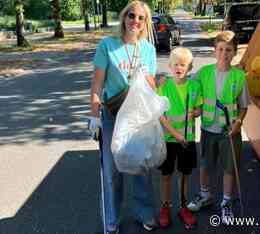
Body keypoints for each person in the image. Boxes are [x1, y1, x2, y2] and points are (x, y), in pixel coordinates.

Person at [88, 1, 157, 233]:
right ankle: (111, 220)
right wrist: (94, 115)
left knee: (141, 166)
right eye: (131, 15)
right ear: (123, 17)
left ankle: (144, 213)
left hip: (138, 117)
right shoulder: (107, 45)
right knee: (111, 172)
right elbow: (97, 83)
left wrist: (146, 78)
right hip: (112, 115)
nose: (135, 21)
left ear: (145, 22)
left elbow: (152, 86)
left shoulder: (148, 49)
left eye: (140, 18)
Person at [187, 31, 250, 224]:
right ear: (214, 51)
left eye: (229, 50)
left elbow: (244, 106)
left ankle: (226, 202)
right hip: (207, 129)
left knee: (229, 168)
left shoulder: (239, 76)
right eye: (221, 49)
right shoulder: (203, 73)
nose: (224, 53)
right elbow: (187, 87)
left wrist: (238, 123)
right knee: (205, 164)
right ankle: (205, 196)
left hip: (229, 132)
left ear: (234, 53)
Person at [156, 47, 202, 229]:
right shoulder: (164, 86)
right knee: (166, 174)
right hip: (169, 139)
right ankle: (165, 207)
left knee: (184, 174)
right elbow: (161, 116)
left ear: (189, 67)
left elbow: (198, 109)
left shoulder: (194, 87)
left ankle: (183, 207)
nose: (179, 67)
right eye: (175, 64)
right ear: (169, 66)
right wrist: (176, 135)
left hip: (188, 139)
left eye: (183, 64)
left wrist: (196, 112)